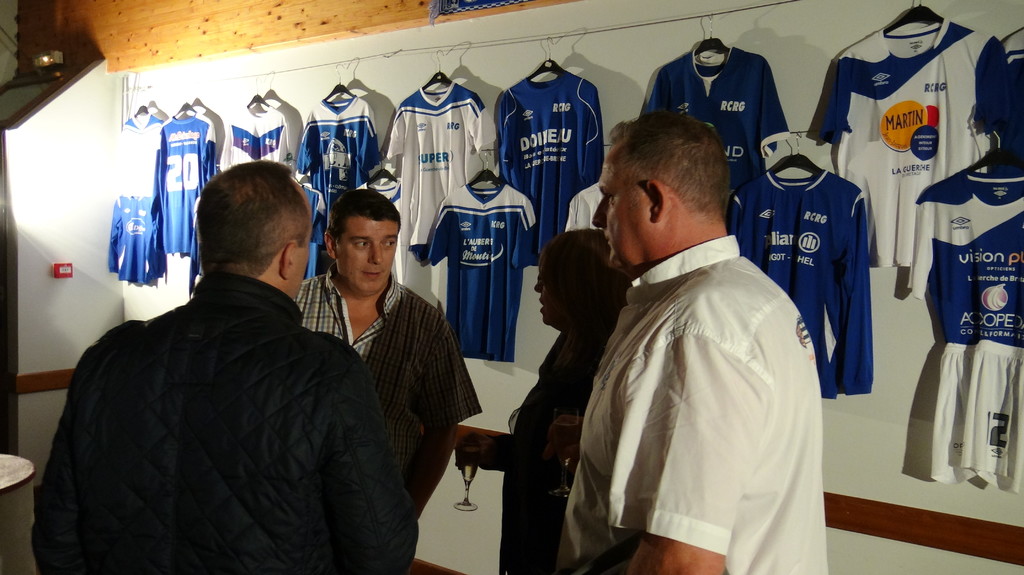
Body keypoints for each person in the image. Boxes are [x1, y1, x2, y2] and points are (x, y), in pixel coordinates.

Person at [32, 161, 418, 574]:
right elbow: (382, 553)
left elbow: (57, 537)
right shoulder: (327, 371)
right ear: (288, 258)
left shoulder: (109, 357)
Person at [557, 111, 829, 575]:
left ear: (655, 201)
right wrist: (602, 440)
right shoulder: (740, 295)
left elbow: (682, 561)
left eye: (609, 197)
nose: (598, 216)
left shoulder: (700, 327)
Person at [296, 188, 481, 517]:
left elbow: (443, 427)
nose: (377, 258)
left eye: (388, 242)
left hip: (377, 513)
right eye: (362, 243)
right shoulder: (294, 307)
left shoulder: (426, 324)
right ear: (332, 244)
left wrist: (409, 514)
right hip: (293, 506)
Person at [456, 229, 630, 575]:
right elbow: (548, 451)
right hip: (533, 539)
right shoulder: (568, 350)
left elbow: (594, 466)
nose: (537, 288)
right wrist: (497, 451)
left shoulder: (608, 368)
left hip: (566, 548)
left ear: (577, 289)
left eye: (546, 280)